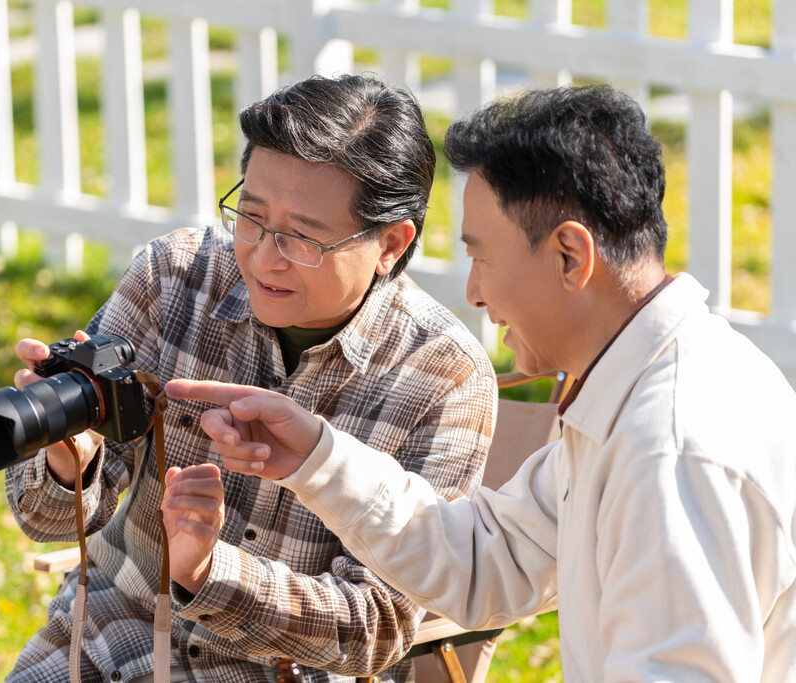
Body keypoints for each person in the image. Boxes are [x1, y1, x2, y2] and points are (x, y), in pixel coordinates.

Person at [162, 84, 796, 681]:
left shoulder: (671, 449)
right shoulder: (647, 383)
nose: (473, 292)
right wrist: (318, 458)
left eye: (482, 256)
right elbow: (488, 561)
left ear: (570, 256)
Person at [4, 73, 497, 683]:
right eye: (252, 216)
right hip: (114, 628)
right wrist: (67, 463)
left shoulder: (442, 376)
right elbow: (46, 521)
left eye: (303, 236)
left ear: (391, 244)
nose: (265, 255)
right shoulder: (172, 279)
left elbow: (376, 627)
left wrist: (211, 574)